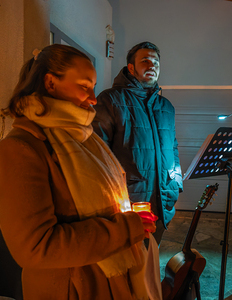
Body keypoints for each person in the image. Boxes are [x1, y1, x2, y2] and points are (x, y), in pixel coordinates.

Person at [0, 44, 158, 300]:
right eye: (84, 86)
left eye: (94, 87)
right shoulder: (21, 148)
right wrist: (126, 229)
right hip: (72, 289)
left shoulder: (85, 137)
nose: (94, 98)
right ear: (50, 83)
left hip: (107, 281)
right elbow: (37, 247)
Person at [92, 42, 183, 245]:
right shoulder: (110, 100)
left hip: (163, 201)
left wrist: (176, 184)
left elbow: (173, 149)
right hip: (129, 201)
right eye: (145, 61)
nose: (152, 66)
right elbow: (98, 152)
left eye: (156, 62)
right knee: (131, 267)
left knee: (151, 261)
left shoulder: (166, 107)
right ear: (131, 67)